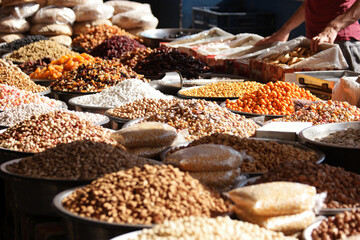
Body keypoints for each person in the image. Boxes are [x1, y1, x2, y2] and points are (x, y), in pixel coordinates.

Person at [255, 0, 360, 72]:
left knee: (350, 97)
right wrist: (284, 30)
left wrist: (333, 28)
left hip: (342, 43)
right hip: (314, 45)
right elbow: (309, 4)